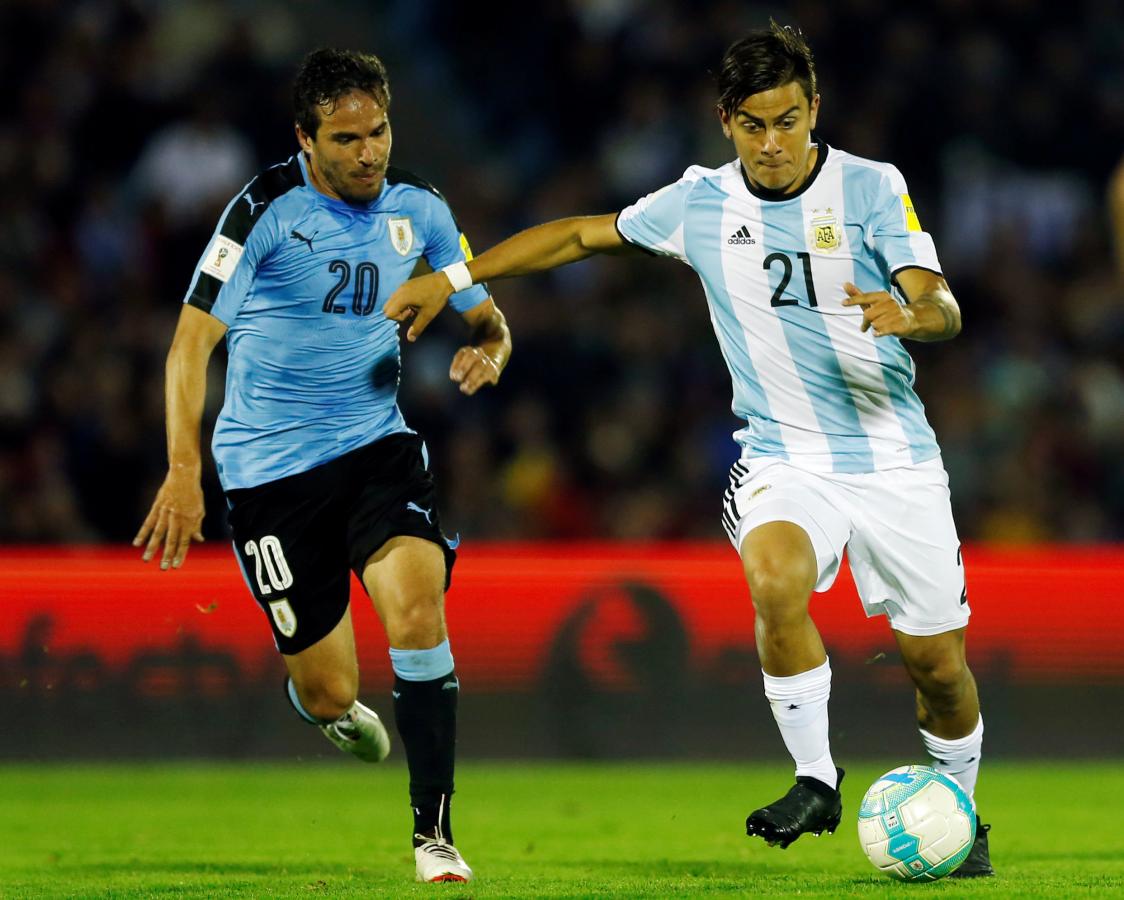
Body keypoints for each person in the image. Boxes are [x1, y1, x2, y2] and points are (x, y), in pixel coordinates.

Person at [385, 22, 993, 878]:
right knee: (773, 577)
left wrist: (914, 315)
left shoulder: (870, 187)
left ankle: (962, 811)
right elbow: (577, 236)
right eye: (754, 124)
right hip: (785, 458)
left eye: (788, 121)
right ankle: (816, 779)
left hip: (895, 458)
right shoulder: (698, 201)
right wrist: (454, 279)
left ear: (814, 109)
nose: (774, 143)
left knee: (938, 669)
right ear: (726, 122)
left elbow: (942, 303)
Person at [134, 48, 510, 885]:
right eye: (345, 139)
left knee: (418, 613)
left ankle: (434, 835)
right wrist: (182, 467)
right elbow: (193, 341)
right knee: (333, 688)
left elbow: (488, 317)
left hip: (376, 448)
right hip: (269, 476)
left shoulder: (422, 210)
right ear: (305, 139)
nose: (368, 152)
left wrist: (495, 347)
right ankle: (318, 705)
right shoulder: (261, 210)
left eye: (377, 132)